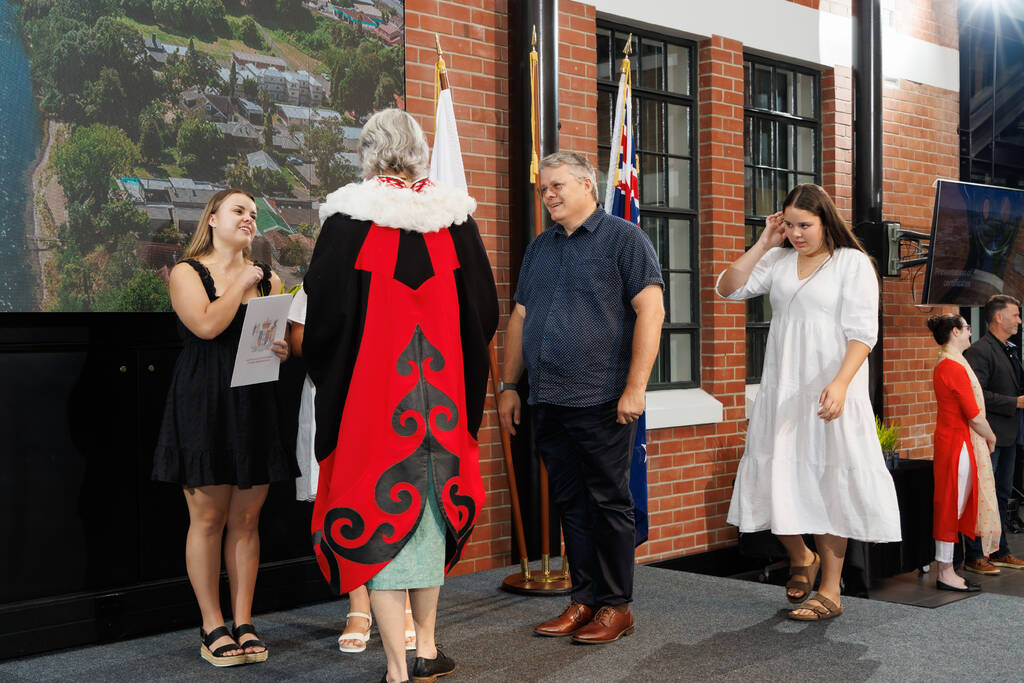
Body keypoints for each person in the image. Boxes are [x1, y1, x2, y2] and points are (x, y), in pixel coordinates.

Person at [302, 108, 497, 683]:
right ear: (418, 151)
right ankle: (429, 648)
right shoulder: (453, 219)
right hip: (442, 399)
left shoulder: (346, 221)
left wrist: (333, 370)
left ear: (368, 152)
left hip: (372, 403)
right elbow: (483, 310)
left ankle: (395, 667)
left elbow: (324, 318)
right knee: (432, 516)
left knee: (377, 516)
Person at [498, 151, 664, 644]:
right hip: (547, 398)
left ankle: (617, 606)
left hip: (603, 398)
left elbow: (651, 311)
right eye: (543, 188)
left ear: (588, 186)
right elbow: (521, 319)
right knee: (571, 503)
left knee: (609, 503)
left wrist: (636, 387)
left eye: (558, 186)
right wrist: (509, 386)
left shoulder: (624, 239)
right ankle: (585, 599)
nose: (548, 195)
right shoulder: (539, 249)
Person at [716, 184, 900, 621]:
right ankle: (802, 557)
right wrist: (764, 242)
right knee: (775, 474)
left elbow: (862, 333)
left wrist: (840, 384)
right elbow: (727, 288)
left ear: (825, 222)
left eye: (806, 226)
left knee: (827, 481)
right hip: (783, 389)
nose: (798, 234)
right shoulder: (778, 259)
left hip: (831, 387)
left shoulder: (851, 263)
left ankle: (832, 590)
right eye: (790, 225)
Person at [152, 189, 294, 667]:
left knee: (247, 520)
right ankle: (212, 624)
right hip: (204, 403)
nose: (249, 219)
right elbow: (208, 325)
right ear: (212, 218)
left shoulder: (270, 279)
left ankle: (244, 620)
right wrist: (244, 279)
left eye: (254, 214)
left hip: (254, 404)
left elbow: (273, 340)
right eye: (239, 211)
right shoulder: (187, 272)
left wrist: (280, 349)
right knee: (208, 520)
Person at [287, 293, 417, 655]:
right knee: (342, 502)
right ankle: (359, 608)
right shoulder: (316, 284)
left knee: (389, 496)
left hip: (381, 395)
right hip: (330, 398)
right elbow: (298, 341)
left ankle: (403, 602)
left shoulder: (382, 272)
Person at [928, 314, 998, 592]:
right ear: (955, 332)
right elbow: (974, 415)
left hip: (955, 441)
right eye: (967, 328)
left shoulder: (951, 363)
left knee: (953, 506)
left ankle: (948, 568)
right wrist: (991, 436)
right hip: (955, 443)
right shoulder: (952, 366)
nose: (971, 333)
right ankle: (945, 571)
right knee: (950, 506)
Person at [962, 294, 1024, 575]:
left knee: (1000, 494)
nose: (1019, 320)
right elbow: (976, 395)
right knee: (982, 495)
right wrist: (1015, 402)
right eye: (1015, 314)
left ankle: (999, 550)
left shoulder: (1008, 348)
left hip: (1008, 434)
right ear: (998, 317)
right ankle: (975, 554)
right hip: (988, 436)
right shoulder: (979, 351)